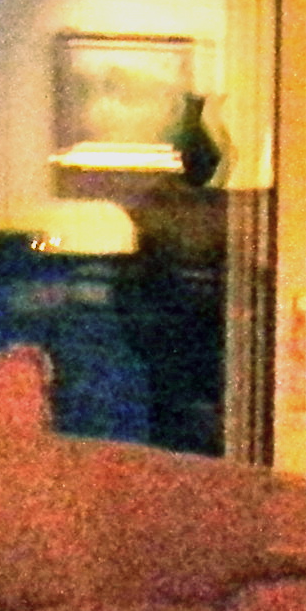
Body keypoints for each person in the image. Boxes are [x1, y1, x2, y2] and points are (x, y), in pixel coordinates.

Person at [116, 94, 227, 456]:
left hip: (192, 351)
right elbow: (131, 287)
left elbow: (129, 286)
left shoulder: (224, 211)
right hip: (178, 351)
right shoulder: (163, 208)